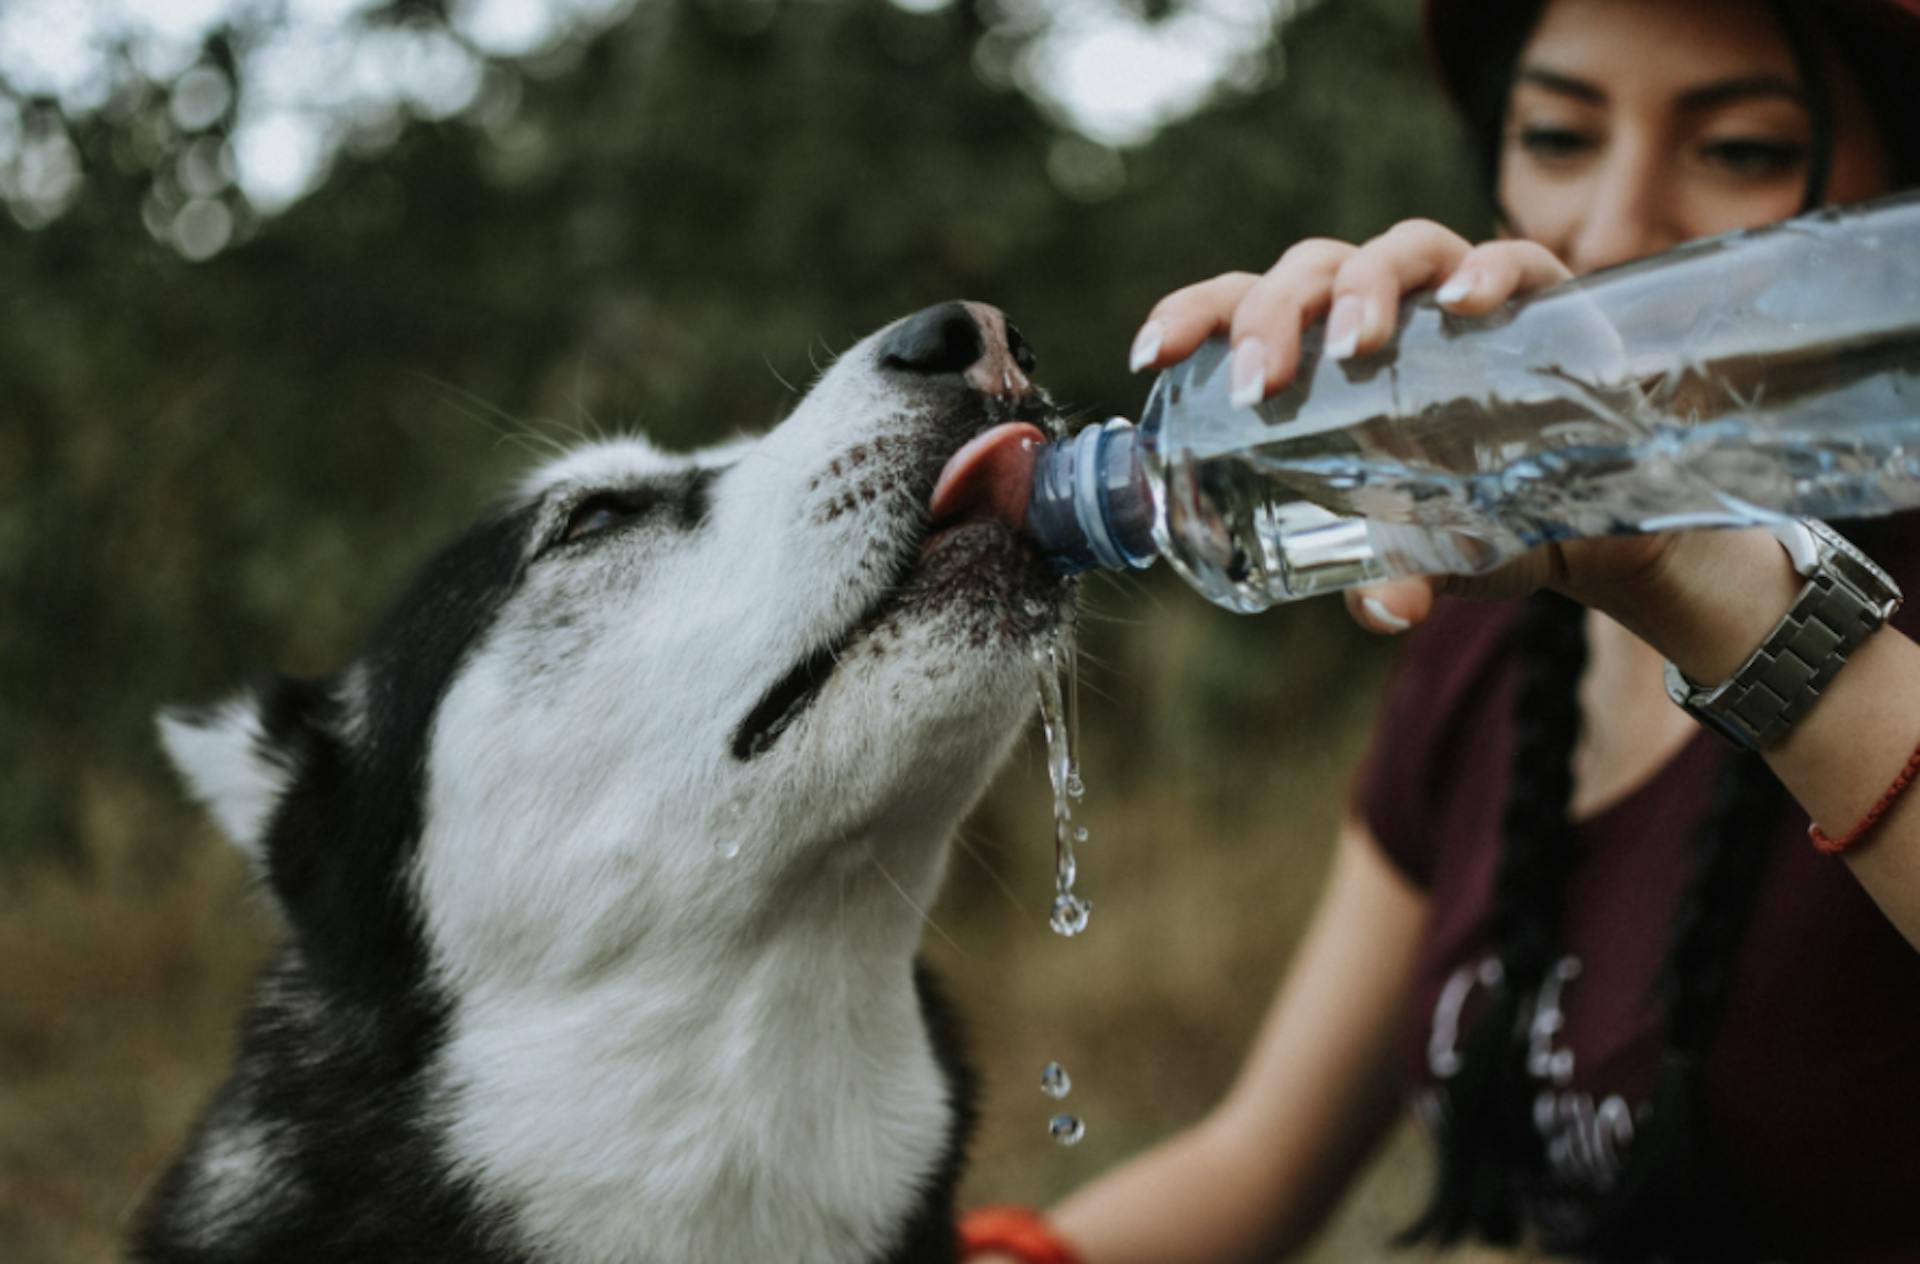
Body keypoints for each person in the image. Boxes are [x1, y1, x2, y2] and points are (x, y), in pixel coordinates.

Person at [961, 1, 1920, 1260]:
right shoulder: (1494, 643)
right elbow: (1257, 1162)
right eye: (1562, 137)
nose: (1618, 227)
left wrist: (1702, 570)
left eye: (1736, 148)